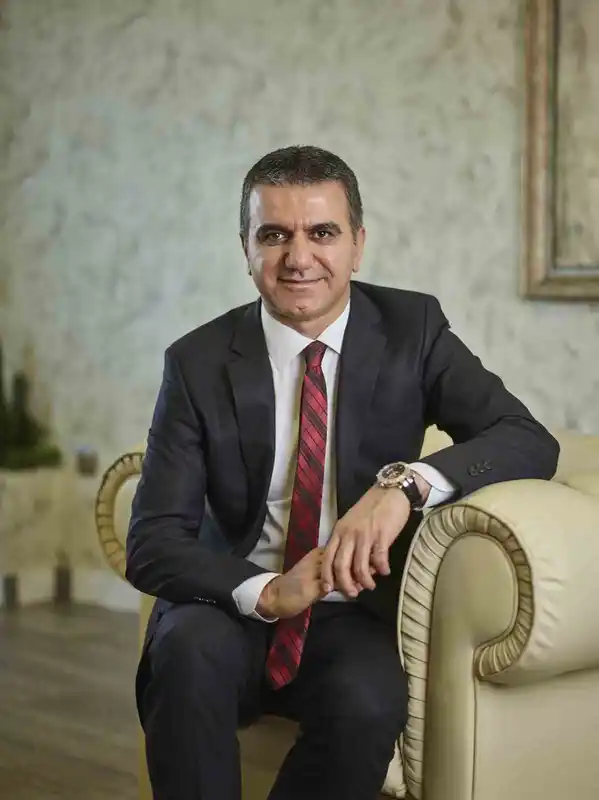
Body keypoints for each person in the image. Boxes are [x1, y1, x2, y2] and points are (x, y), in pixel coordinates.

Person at [127, 145, 559, 800]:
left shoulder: (413, 329)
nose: (298, 258)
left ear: (357, 244)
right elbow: (152, 542)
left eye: (322, 232)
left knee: (368, 700)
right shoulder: (197, 362)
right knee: (185, 656)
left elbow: (524, 438)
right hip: (229, 600)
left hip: (350, 610)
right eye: (274, 235)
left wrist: (405, 486)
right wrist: (269, 592)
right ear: (245, 249)